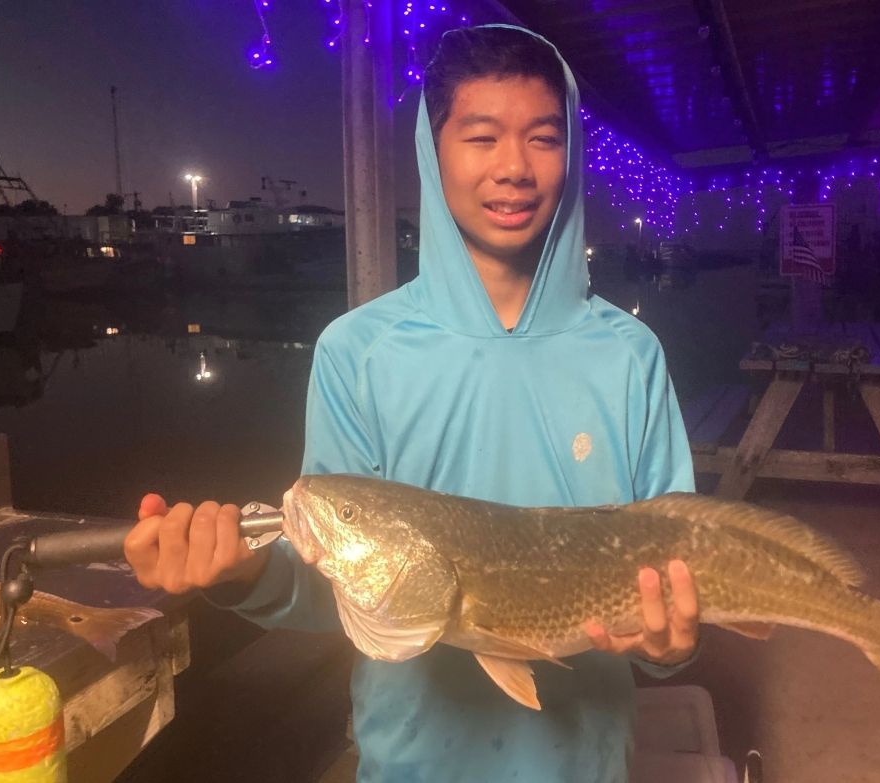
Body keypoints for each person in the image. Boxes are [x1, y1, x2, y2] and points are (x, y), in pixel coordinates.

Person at [125, 25, 699, 783]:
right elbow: (340, 584)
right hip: (412, 763)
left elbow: (684, 575)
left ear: (571, 157)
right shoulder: (357, 351)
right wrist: (237, 574)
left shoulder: (629, 356)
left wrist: (673, 641)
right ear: (433, 154)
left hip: (588, 761)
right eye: (481, 136)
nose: (514, 168)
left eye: (543, 138)